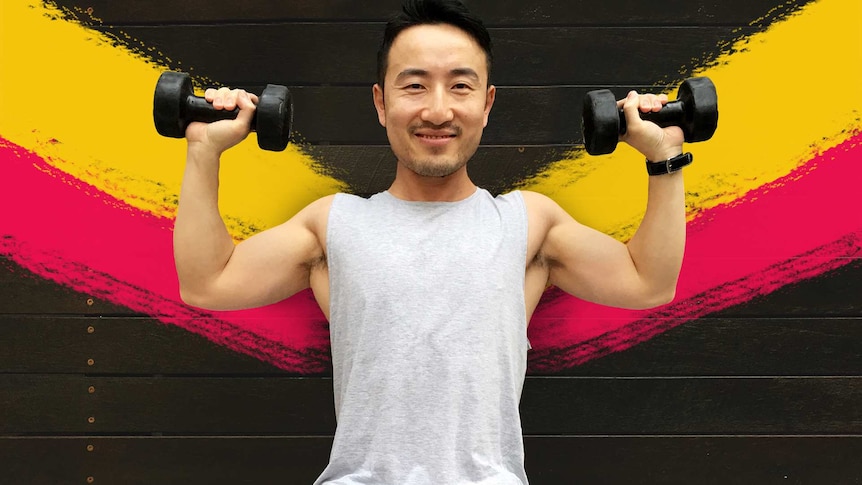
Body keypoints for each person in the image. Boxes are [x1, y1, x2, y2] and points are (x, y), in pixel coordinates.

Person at [173, 0, 687, 483]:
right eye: (414, 86)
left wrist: (663, 158)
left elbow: (648, 283)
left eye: (460, 87)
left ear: (487, 104)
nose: (438, 111)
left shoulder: (526, 223)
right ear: (380, 102)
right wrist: (203, 150)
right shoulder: (335, 224)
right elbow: (207, 283)